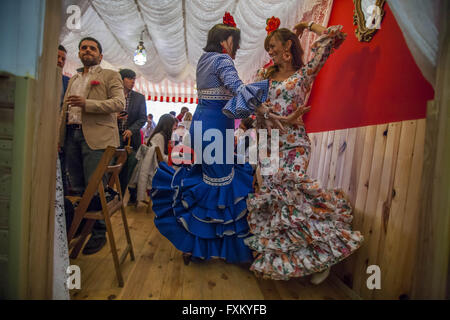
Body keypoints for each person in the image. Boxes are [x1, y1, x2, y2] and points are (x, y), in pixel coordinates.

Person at [150, 13, 282, 265]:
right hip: (215, 125)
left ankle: (194, 244)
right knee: (222, 183)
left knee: (206, 179)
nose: (238, 48)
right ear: (225, 41)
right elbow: (237, 87)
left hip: (204, 122)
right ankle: (224, 247)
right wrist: (261, 108)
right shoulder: (222, 59)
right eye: (235, 42)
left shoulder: (204, 60)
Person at [245, 19, 363, 283]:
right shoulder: (264, 78)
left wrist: (307, 25)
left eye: (273, 46)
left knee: (294, 194)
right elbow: (254, 109)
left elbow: (334, 37)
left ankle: (321, 255)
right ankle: (286, 259)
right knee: (279, 202)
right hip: (270, 145)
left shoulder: (305, 73)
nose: (270, 52)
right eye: (268, 48)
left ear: (288, 45)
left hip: (296, 143)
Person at [59, 36, 125, 255]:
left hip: (98, 140)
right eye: (83, 48)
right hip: (71, 136)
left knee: (95, 188)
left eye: (92, 48)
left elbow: (119, 103)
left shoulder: (110, 75)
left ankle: (98, 234)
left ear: (100, 55)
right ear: (78, 53)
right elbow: (64, 111)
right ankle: (78, 229)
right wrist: (60, 138)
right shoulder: (73, 79)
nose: (87, 50)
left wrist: (87, 104)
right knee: (76, 187)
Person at [117, 68, 147, 205]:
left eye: (134, 79)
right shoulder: (113, 95)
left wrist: (131, 130)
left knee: (126, 172)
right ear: (121, 79)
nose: (133, 81)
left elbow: (142, 119)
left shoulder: (139, 97)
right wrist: (115, 117)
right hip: (112, 138)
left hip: (130, 141)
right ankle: (107, 198)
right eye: (129, 78)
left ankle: (119, 200)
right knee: (110, 170)